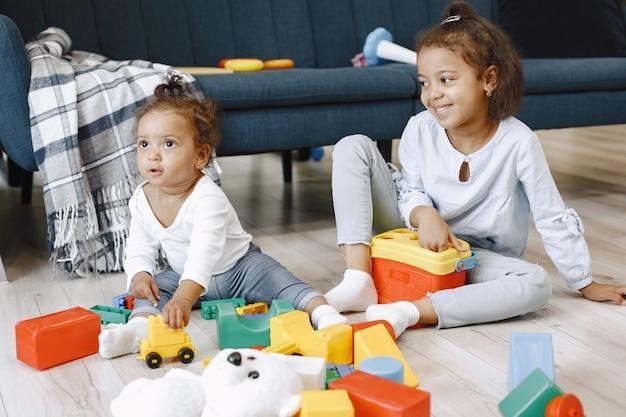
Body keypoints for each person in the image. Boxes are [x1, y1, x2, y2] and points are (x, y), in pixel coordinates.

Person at [324, 1, 626, 337]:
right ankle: (357, 278)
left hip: (473, 259)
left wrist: (583, 281)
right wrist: (425, 215)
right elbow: (408, 190)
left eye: (446, 80)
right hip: (411, 237)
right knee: (353, 145)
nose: (432, 94)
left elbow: (550, 215)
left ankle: (410, 312)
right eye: (425, 82)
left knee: (536, 284)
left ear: (489, 80)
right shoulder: (419, 128)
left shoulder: (519, 143)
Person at [99, 74, 345, 359]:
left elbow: (205, 252)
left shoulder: (207, 198)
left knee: (280, 280)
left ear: (201, 156)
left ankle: (323, 312)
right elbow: (139, 245)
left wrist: (184, 297)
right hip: (183, 274)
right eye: (144, 144)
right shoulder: (141, 199)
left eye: (168, 144)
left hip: (239, 268)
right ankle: (137, 330)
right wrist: (140, 273)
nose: (153, 155)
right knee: (152, 290)